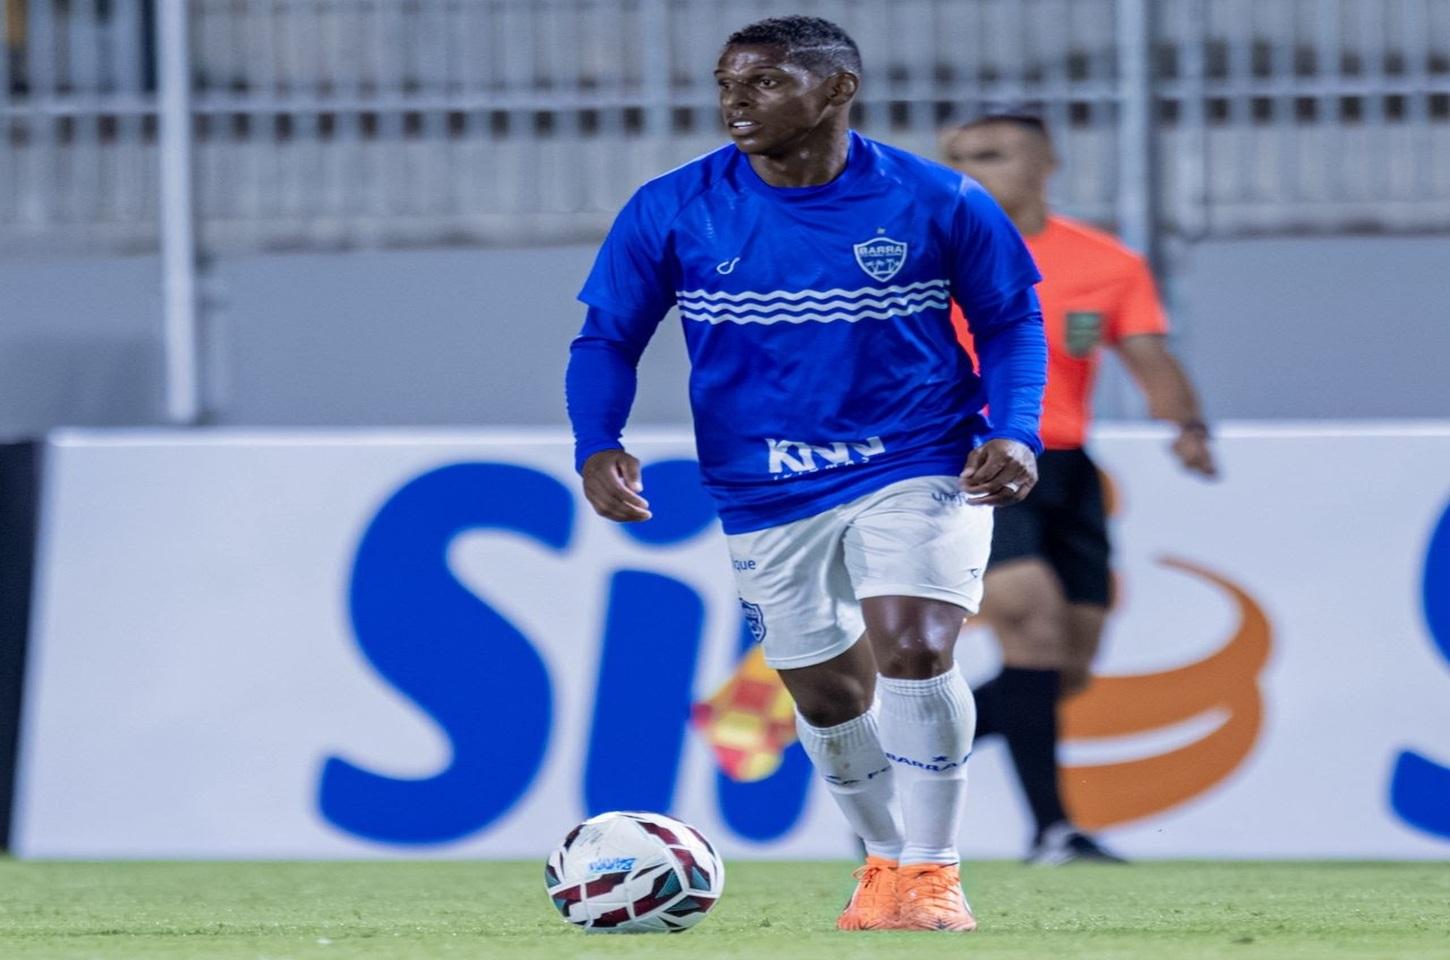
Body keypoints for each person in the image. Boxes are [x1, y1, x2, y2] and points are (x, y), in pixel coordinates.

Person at [566, 16, 1047, 933]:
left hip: (916, 454)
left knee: (914, 642)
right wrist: (598, 441)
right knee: (826, 694)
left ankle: (934, 870)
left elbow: (1011, 321)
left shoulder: (938, 199)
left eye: (764, 83)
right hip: (762, 482)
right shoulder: (674, 207)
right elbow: (607, 339)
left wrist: (1017, 431)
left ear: (836, 90)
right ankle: (883, 862)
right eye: (726, 84)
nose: (735, 102)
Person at [941, 110, 1217, 864]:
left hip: (1065, 468)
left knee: (1063, 666)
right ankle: (1053, 830)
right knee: (1032, 621)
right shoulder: (931, 259)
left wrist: (1187, 425)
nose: (969, 171)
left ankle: (892, 752)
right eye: (957, 158)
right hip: (970, 462)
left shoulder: (1105, 264)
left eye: (990, 155)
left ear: (1045, 166)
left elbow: (1145, 352)